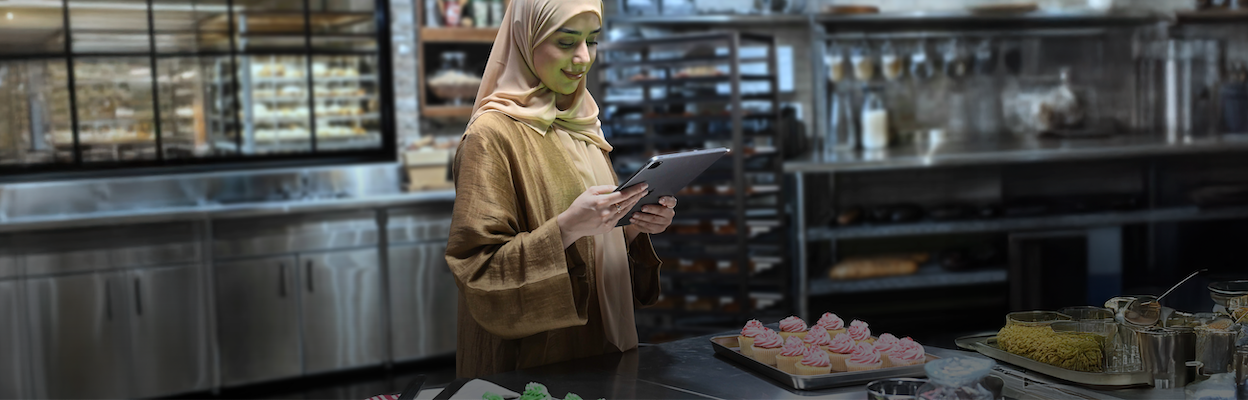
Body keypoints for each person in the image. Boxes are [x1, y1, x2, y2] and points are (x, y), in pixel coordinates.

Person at [444, 0, 678, 378]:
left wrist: (632, 224)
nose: (584, 58)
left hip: (604, 342)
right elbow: (478, 270)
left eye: (593, 41)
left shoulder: (583, 124)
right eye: (567, 42)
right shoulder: (490, 136)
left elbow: (597, 238)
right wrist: (568, 227)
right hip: (534, 362)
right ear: (526, 39)